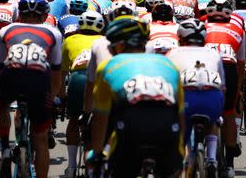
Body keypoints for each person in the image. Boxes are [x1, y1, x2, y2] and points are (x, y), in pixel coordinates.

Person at [88, 17, 184, 178]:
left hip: (130, 127)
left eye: (112, 46)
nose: (110, 51)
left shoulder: (108, 66)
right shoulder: (168, 64)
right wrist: (182, 151)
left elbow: (100, 117)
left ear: (121, 45)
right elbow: (180, 114)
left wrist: (97, 154)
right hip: (167, 127)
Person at [0, 0, 62, 178]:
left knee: (1, 106)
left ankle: (6, 149)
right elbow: (57, 72)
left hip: (11, 78)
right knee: (40, 139)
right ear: (43, 16)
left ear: (20, 15)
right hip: (39, 82)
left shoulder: (7, 30)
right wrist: (53, 96)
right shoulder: (53, 32)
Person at [167, 18, 225, 174]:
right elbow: (223, 86)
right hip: (213, 98)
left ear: (181, 38)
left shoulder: (173, 53)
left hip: (187, 99)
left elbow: (167, 85)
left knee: (177, 145)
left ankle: (181, 162)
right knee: (213, 122)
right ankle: (212, 158)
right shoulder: (213, 53)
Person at [59, 11, 105, 178]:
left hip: (77, 79)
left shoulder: (69, 40)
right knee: (99, 123)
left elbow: (62, 73)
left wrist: (61, 96)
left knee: (73, 121)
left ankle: (71, 168)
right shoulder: (105, 41)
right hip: (99, 80)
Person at [204, 0, 246, 175]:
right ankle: (229, 165)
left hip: (204, 67)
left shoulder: (201, 26)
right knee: (229, 114)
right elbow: (241, 64)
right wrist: (239, 90)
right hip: (229, 68)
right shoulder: (238, 29)